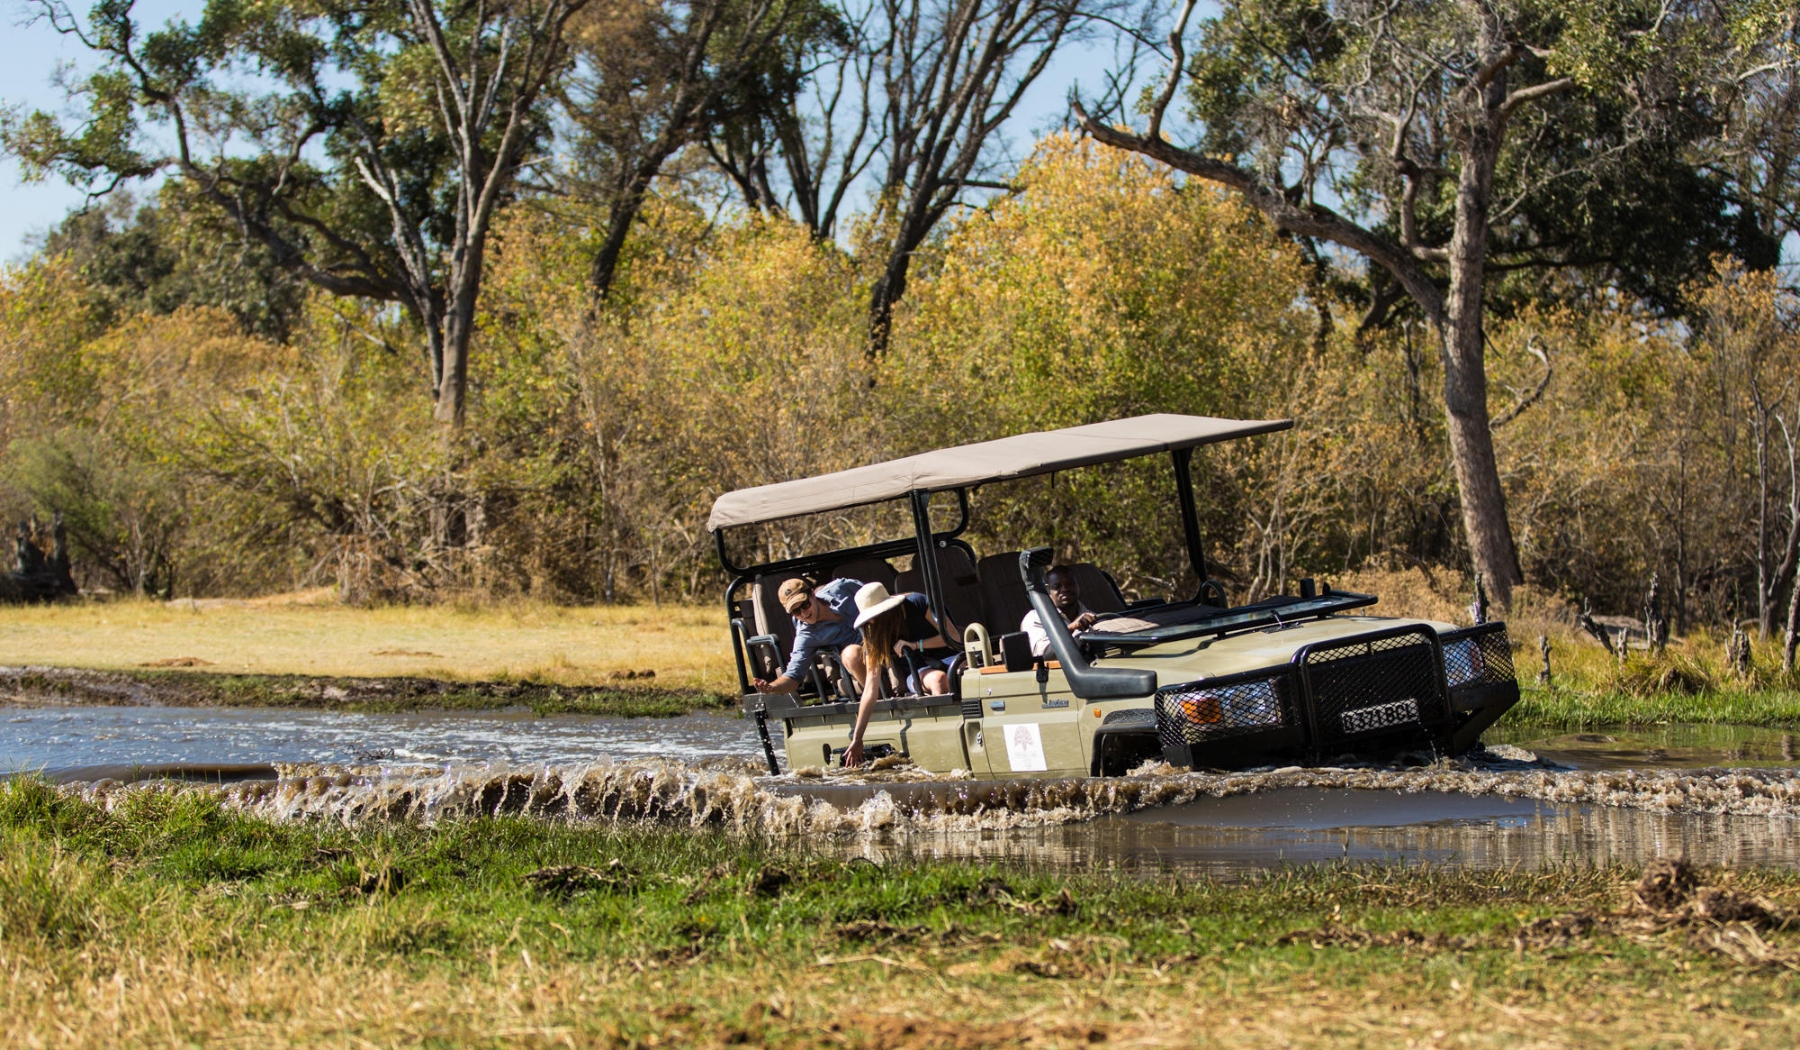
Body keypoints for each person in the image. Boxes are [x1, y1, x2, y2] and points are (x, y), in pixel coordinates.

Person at [843, 581, 953, 766]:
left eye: (878, 615)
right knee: (939, 680)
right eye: (871, 618)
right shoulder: (872, 633)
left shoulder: (918, 603)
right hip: (918, 670)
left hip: (951, 655)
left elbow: (953, 637)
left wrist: (916, 644)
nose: (874, 622)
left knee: (968, 673)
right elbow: (870, 688)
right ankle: (944, 742)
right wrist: (857, 738)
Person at [751, 577, 867, 696]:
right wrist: (772, 687)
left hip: (881, 642)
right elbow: (793, 676)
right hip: (861, 662)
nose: (804, 613)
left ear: (813, 594)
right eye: (796, 611)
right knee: (851, 654)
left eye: (805, 604)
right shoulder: (806, 635)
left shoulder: (842, 588)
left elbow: (879, 598)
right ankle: (879, 701)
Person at [1021, 564, 1100, 658]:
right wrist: (1071, 628)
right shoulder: (1036, 618)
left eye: (1069, 584)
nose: (1065, 589)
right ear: (1048, 590)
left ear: (1077, 585)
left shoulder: (1092, 616)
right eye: (1057, 586)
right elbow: (1043, 655)